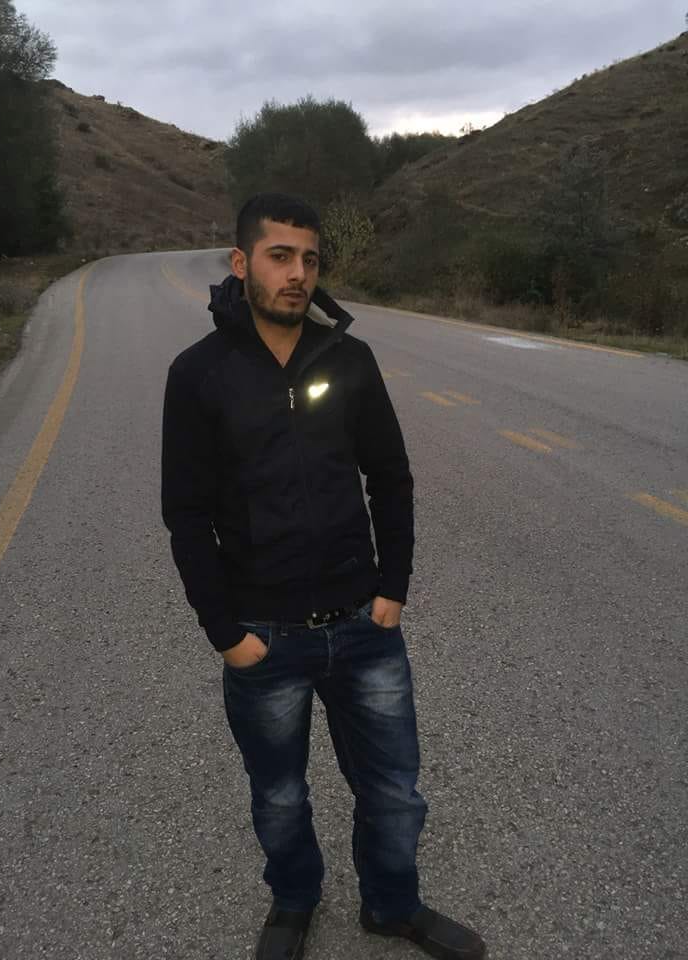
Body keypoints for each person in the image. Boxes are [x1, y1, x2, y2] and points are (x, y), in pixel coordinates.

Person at [161, 193, 486, 960]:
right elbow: (186, 514)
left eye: (309, 259)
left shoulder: (349, 359)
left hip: (362, 625)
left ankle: (393, 906)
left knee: (394, 790)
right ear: (242, 263)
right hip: (263, 634)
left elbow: (392, 478)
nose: (298, 273)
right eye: (280, 256)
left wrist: (393, 589)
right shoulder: (199, 374)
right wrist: (225, 632)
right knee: (279, 796)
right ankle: (294, 901)